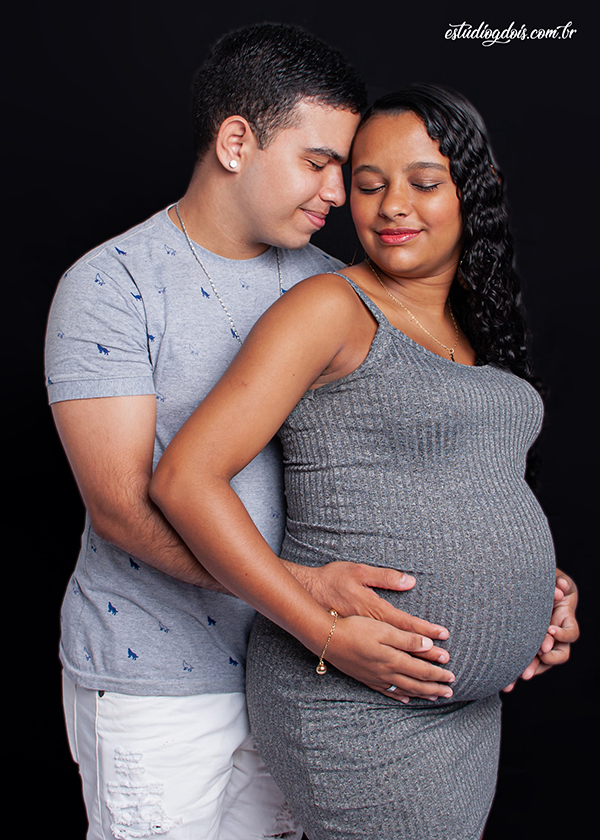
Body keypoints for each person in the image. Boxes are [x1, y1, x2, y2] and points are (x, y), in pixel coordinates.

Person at [44, 25, 478, 840]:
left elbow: (403, 469)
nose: (337, 193)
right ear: (236, 142)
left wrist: (520, 580)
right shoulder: (113, 285)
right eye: (317, 163)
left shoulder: (333, 287)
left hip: (299, 682)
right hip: (161, 681)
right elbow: (121, 510)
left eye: (343, 169)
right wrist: (308, 601)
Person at [149, 84, 580, 840]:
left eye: (423, 182)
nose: (391, 207)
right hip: (351, 696)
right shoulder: (331, 309)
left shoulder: (472, 323)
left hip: (465, 713)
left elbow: (464, 482)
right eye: (370, 185)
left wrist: (539, 589)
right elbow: (185, 479)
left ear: (476, 189)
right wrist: (323, 631)